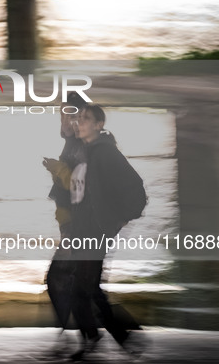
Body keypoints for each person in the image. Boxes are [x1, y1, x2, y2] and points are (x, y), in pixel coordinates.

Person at [67, 104, 147, 361]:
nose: (79, 122)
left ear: (99, 125)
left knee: (83, 288)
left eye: (85, 119)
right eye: (78, 118)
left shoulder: (105, 153)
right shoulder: (85, 152)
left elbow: (136, 188)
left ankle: (107, 336)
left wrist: (120, 220)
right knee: (87, 287)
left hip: (94, 232)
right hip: (81, 232)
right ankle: (112, 336)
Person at [42, 94, 86, 354]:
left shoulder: (80, 146)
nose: (61, 119)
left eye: (65, 114)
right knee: (75, 282)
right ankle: (82, 335)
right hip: (71, 225)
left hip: (77, 226)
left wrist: (58, 170)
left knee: (60, 279)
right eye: (60, 114)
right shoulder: (72, 144)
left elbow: (82, 188)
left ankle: (84, 334)